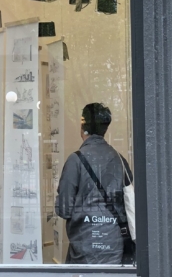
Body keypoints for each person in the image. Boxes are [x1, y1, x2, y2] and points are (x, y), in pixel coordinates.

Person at [55, 103, 134, 265]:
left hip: (84, 246)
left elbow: (64, 209)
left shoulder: (75, 160)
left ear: (83, 127)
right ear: (105, 129)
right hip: (114, 246)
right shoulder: (119, 160)